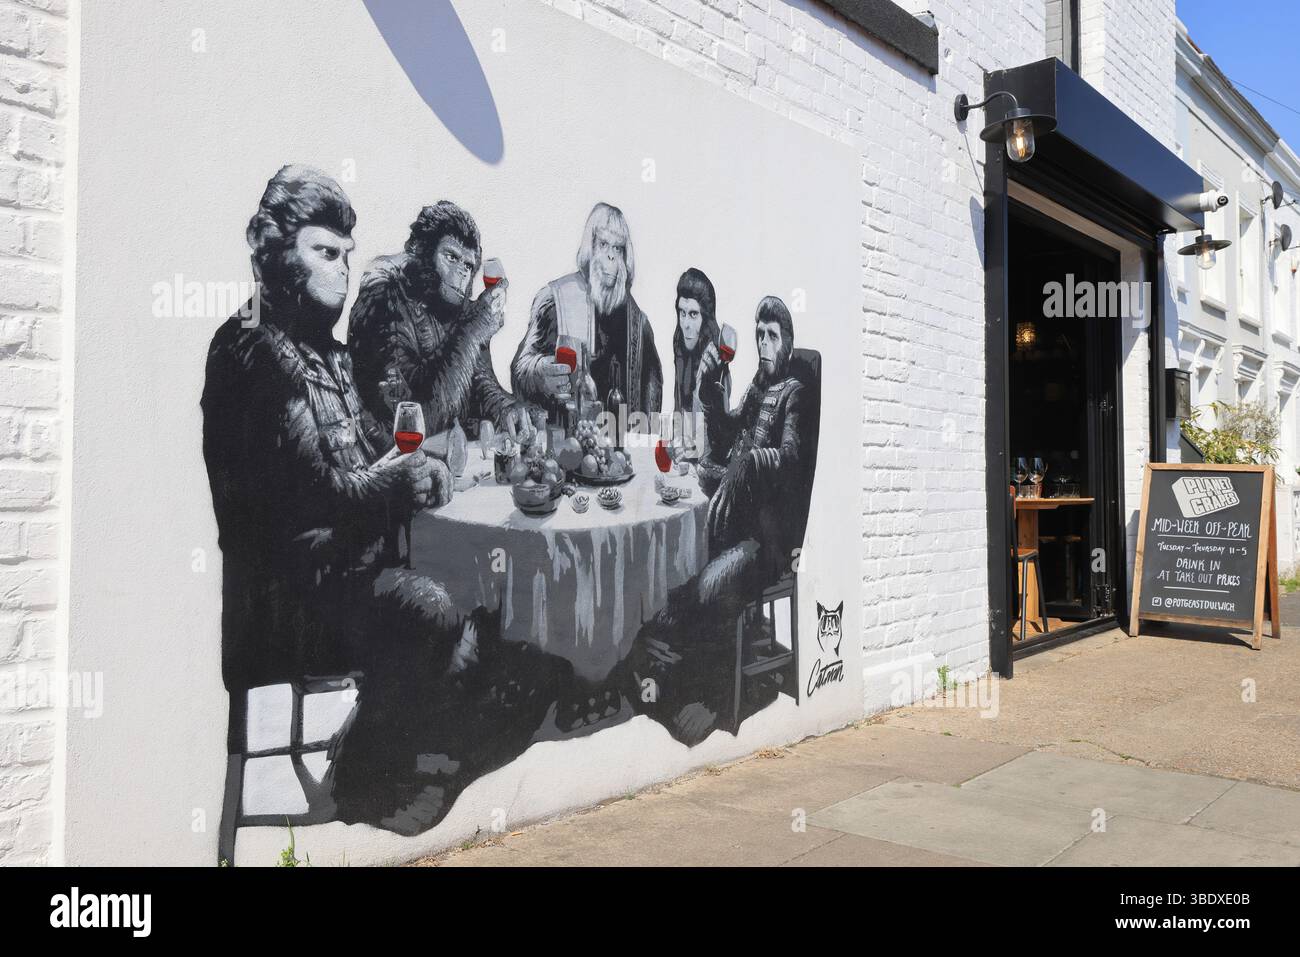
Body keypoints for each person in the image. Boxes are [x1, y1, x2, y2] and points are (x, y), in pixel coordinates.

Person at [347, 200, 534, 443]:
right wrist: (473, 331)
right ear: (423, 252)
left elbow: (482, 383)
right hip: (391, 463)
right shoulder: (384, 302)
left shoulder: (462, 311)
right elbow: (410, 418)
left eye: (468, 264)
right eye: (451, 257)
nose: (462, 273)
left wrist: (506, 409)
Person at [511, 202, 662, 420]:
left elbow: (652, 389)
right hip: (567, 440)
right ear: (590, 248)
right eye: (603, 244)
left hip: (621, 442)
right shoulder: (556, 299)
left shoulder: (638, 321)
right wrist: (540, 372)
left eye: (617, 249)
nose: (611, 256)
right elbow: (520, 371)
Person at [671, 267, 730, 456]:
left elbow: (718, 431)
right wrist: (677, 439)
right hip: (685, 449)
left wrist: (691, 448)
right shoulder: (680, 338)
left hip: (709, 453)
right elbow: (679, 400)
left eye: (693, 314)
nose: (686, 323)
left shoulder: (716, 353)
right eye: (682, 313)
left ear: (705, 317)